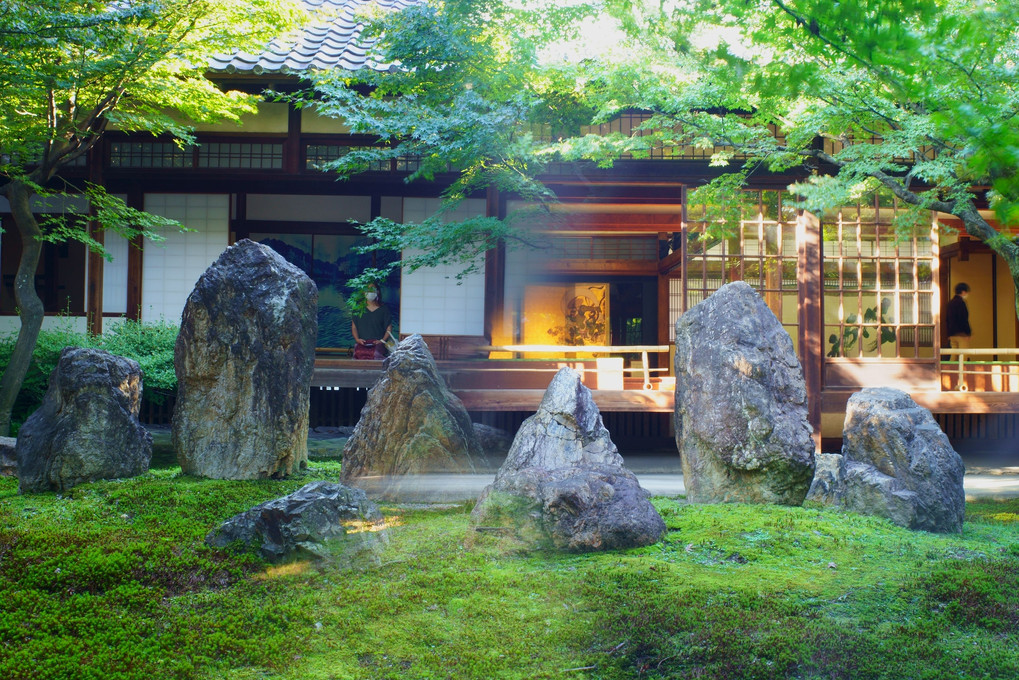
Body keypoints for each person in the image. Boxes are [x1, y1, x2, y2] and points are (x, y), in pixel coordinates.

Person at [351, 285, 393, 359]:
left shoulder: (384, 309)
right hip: (362, 342)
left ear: (378, 292)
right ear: (364, 292)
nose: (370, 292)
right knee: (357, 354)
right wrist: (357, 339)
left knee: (376, 354)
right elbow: (354, 327)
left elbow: (388, 329)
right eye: (368, 290)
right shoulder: (358, 309)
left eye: (373, 290)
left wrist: (382, 340)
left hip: (378, 343)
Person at [946, 281, 971, 349]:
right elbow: (963, 319)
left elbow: (947, 319)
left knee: (954, 355)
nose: (967, 294)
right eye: (966, 292)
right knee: (963, 354)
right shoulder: (961, 303)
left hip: (952, 334)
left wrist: (948, 333)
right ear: (963, 292)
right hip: (961, 333)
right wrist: (967, 332)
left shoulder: (950, 303)